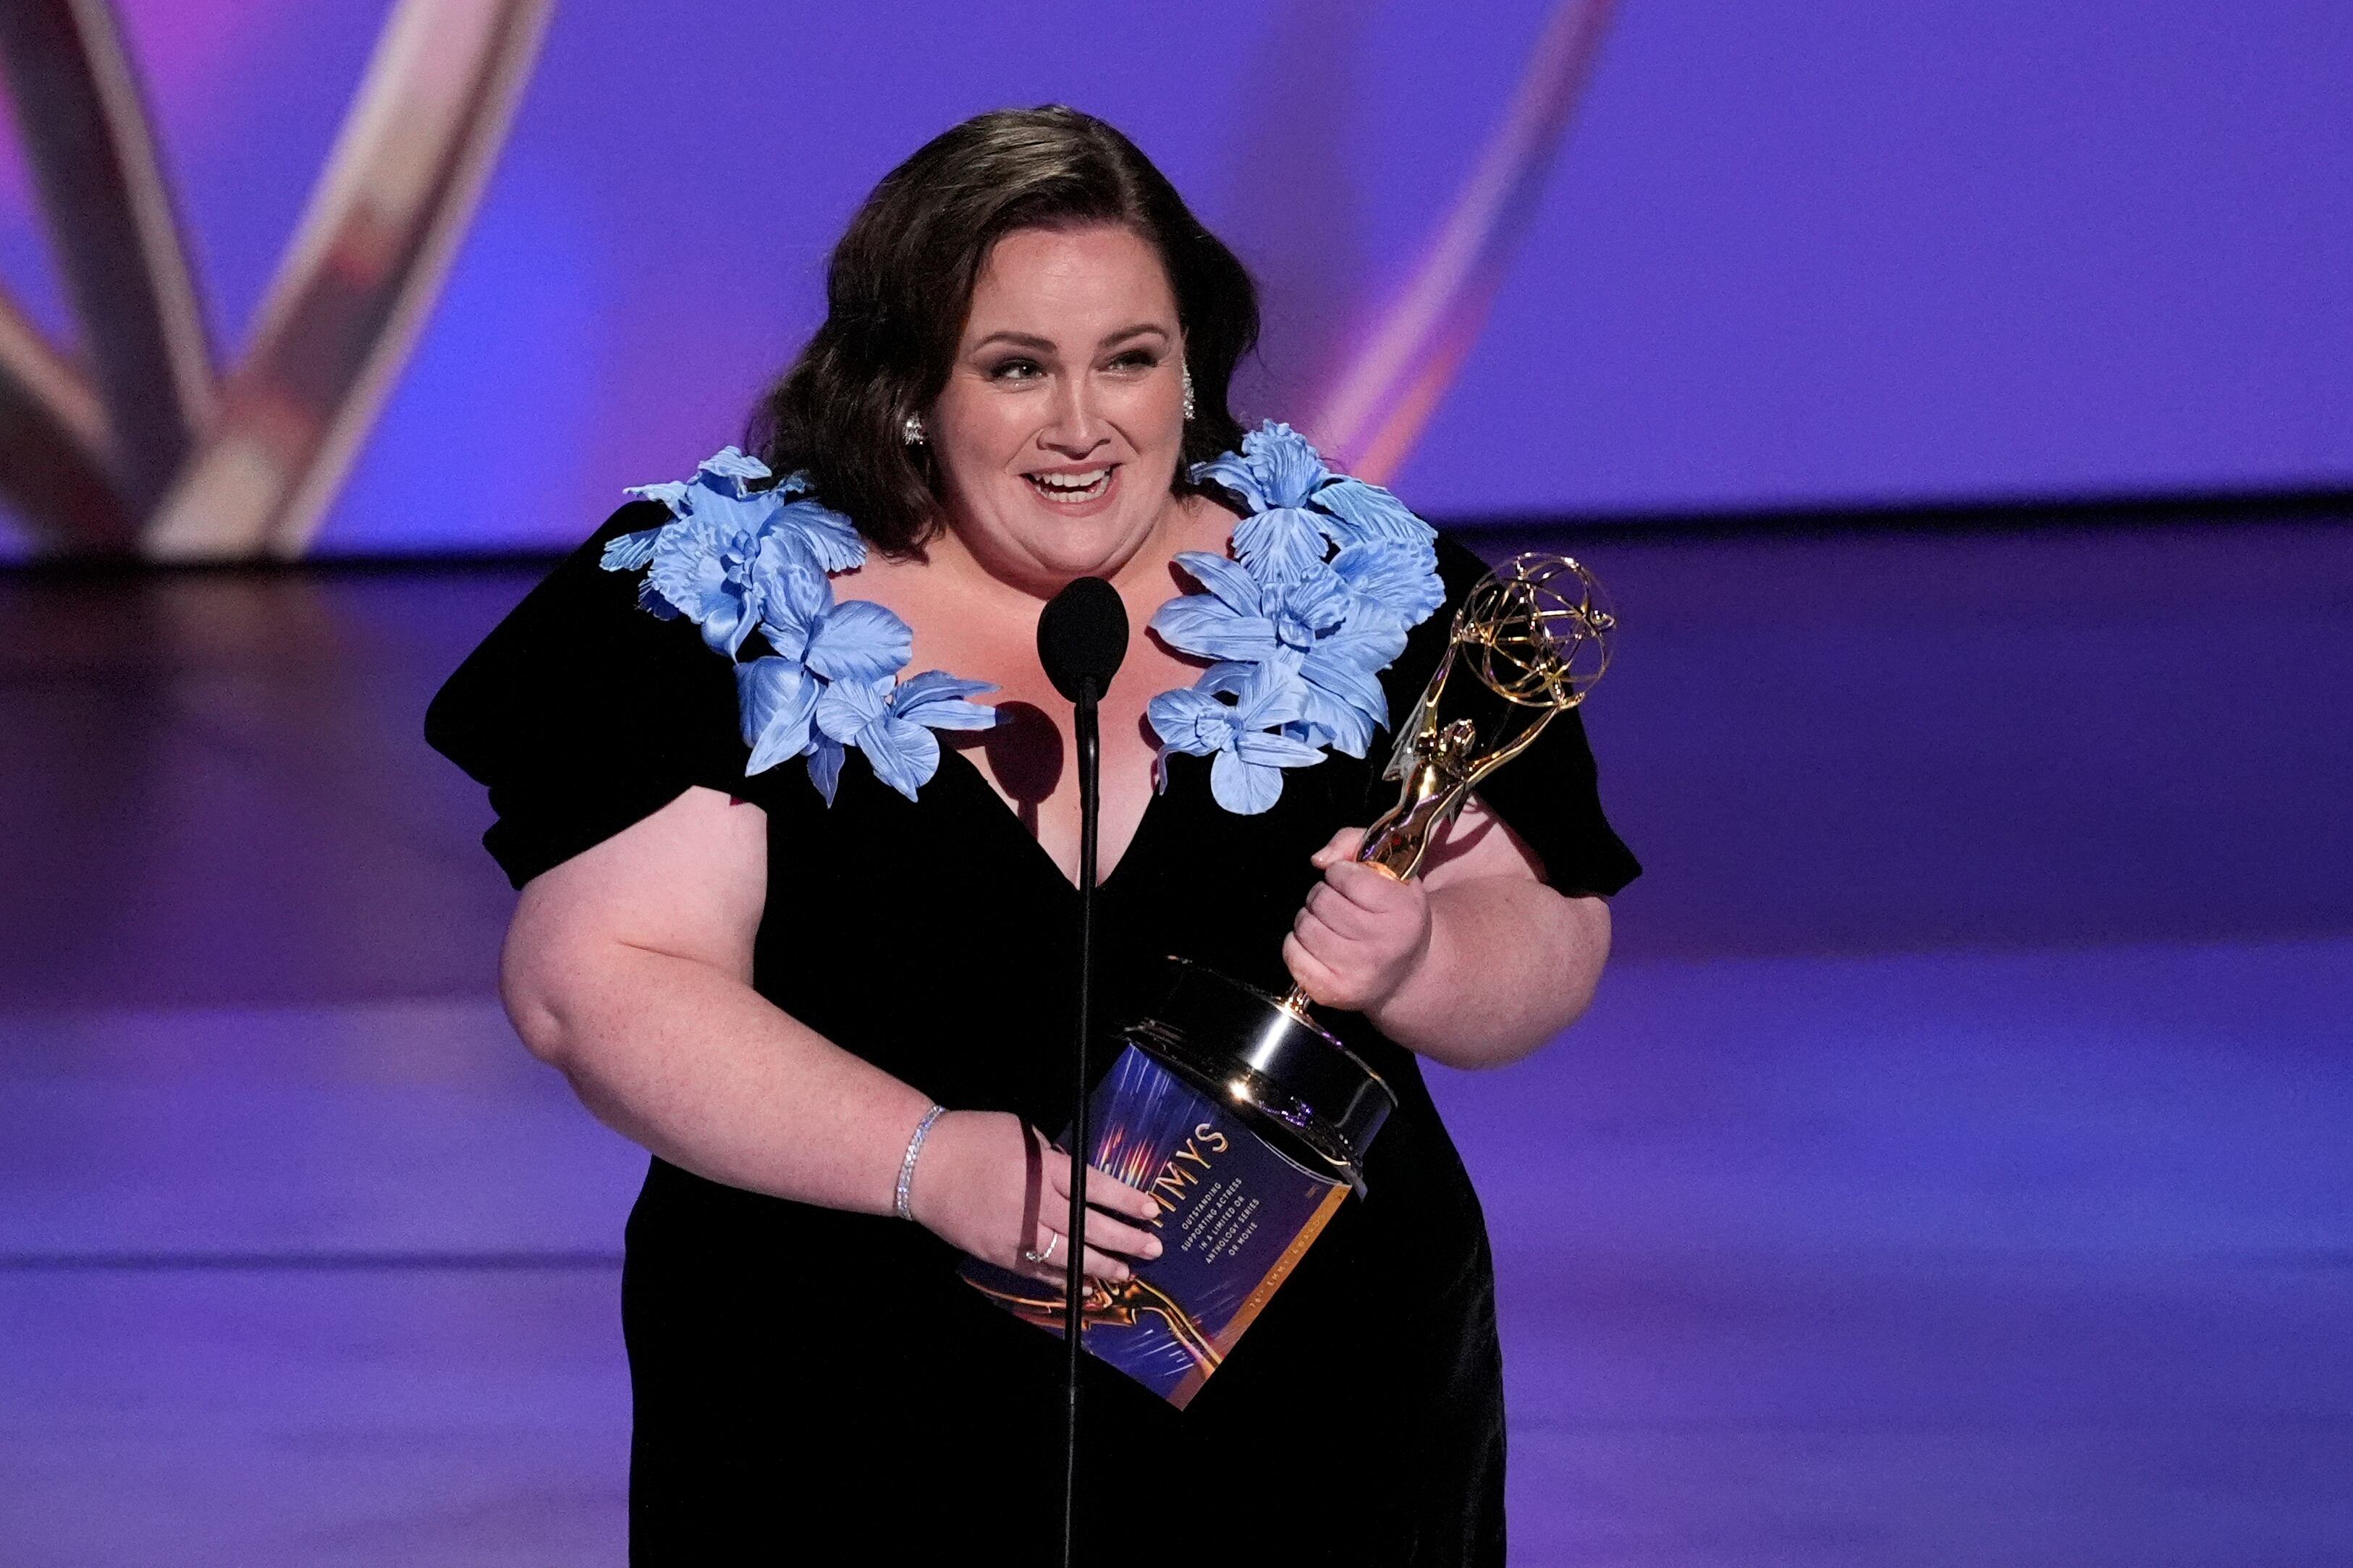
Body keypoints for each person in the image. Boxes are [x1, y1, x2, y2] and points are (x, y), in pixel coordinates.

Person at [427, 106, 1636, 1566]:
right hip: (846, 1420)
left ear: (1191, 366)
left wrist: (1430, 952)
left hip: (1316, 1433)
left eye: (1131, 359)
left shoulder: (1366, 590)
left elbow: (1553, 937)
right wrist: (932, 1161)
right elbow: (598, 983)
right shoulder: (718, 601)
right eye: (1017, 369)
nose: (1084, 426)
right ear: (905, 387)